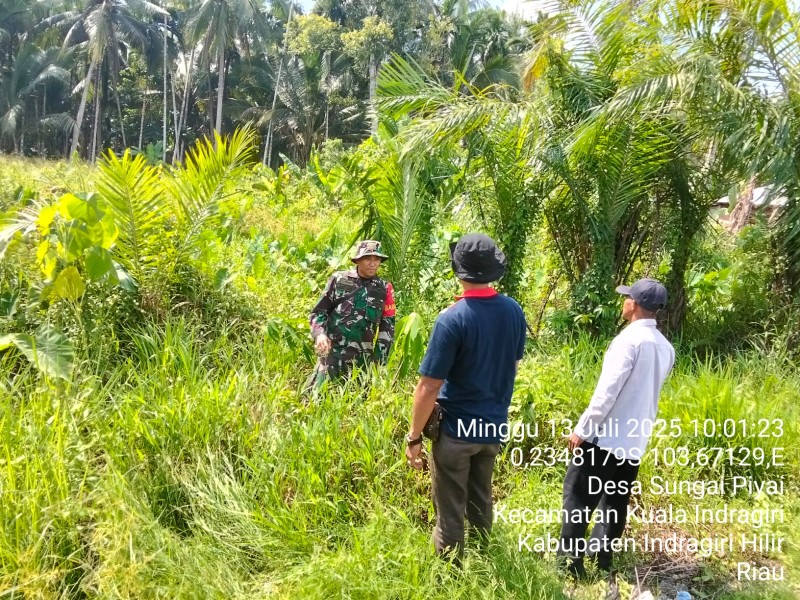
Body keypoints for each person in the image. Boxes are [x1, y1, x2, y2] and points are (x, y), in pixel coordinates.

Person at [405, 233, 527, 558]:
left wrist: (414, 437)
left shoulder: (452, 319)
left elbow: (428, 387)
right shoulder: (514, 311)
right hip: (492, 428)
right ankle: (487, 562)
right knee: (481, 498)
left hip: (456, 432)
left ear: (459, 273)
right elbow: (511, 365)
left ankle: (451, 580)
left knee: (449, 511)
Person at [559, 278, 675, 577]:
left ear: (634, 304)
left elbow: (606, 393)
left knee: (578, 499)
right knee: (614, 501)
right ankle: (603, 561)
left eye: (627, 298)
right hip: (634, 440)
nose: (623, 301)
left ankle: (570, 566)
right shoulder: (665, 347)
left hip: (604, 438)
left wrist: (582, 429)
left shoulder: (628, 341)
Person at [308, 240, 396, 389]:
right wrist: (319, 334)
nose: (373, 263)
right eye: (368, 259)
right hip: (332, 355)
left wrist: (379, 361)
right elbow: (319, 311)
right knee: (316, 399)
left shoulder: (384, 289)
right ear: (358, 260)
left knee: (355, 405)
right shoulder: (339, 279)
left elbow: (387, 327)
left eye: (377, 259)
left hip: (362, 361)